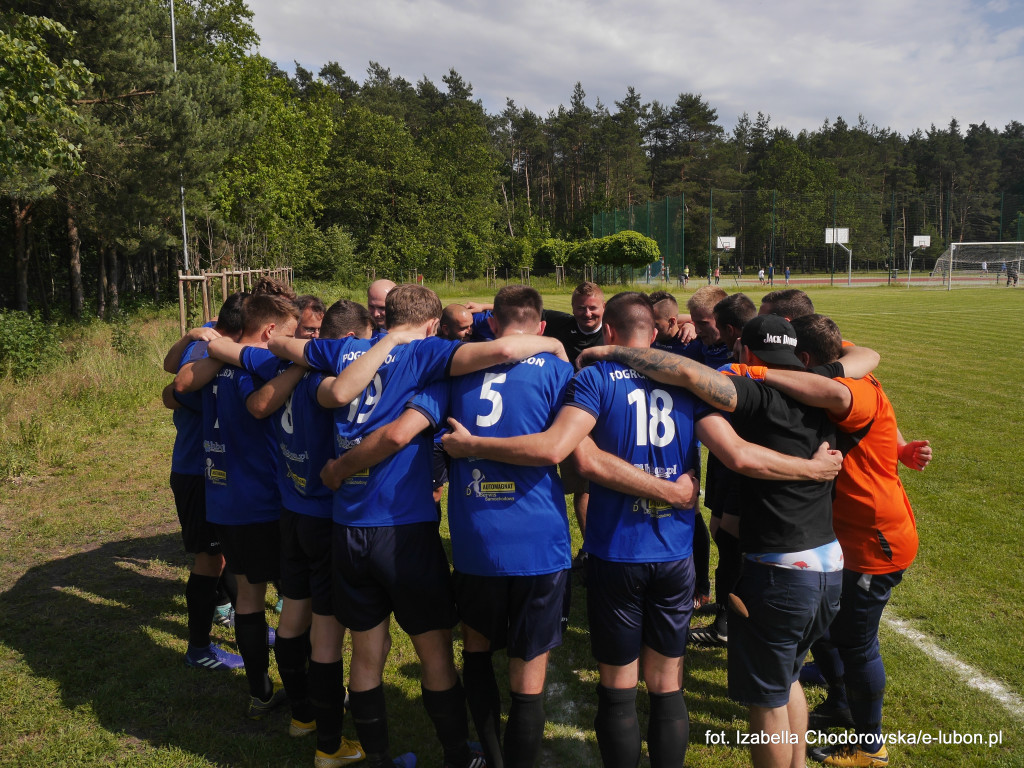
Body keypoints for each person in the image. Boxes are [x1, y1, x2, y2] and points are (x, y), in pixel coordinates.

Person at [447, 294, 844, 768]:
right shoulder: (685, 381)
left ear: (609, 333)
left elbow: (581, 457)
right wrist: (809, 468)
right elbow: (735, 452)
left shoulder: (592, 377)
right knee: (666, 684)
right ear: (653, 336)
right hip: (674, 551)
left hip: (617, 549)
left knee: (618, 688)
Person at [274, 284, 568, 768]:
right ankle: (457, 755)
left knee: (367, 653)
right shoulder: (430, 360)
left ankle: (379, 758)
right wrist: (552, 344)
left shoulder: (348, 349)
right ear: (432, 327)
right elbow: (498, 353)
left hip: (347, 525)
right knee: (433, 653)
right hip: (401, 526)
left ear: (385, 316)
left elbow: (286, 345)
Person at [576, 314, 855, 768]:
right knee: (786, 680)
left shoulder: (750, 390)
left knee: (763, 699)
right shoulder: (827, 388)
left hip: (780, 569)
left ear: (746, 354)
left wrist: (607, 352)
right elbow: (863, 355)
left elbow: (735, 447)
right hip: (828, 563)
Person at [207, 299, 387, 765]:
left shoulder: (280, 362)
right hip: (325, 516)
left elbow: (235, 354)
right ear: (349, 341)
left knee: (293, 616)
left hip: (290, 512)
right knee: (325, 635)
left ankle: (302, 715)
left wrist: (205, 336)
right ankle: (329, 743)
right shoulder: (331, 381)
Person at [759, 314, 931, 768]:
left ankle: (870, 747)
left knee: (857, 642)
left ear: (808, 357)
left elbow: (840, 392)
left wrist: (755, 372)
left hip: (876, 539)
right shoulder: (845, 359)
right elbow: (864, 355)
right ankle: (839, 699)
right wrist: (898, 448)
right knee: (827, 620)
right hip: (848, 532)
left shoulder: (847, 388)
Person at [185, 294, 302, 719]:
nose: (294, 341)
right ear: (270, 332)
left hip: (223, 500)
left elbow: (177, 388)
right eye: (290, 334)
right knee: (296, 600)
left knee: (249, 599)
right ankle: (303, 693)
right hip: (265, 502)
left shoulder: (211, 370)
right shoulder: (262, 366)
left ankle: (260, 692)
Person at [161, 293, 247, 671]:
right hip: (198, 472)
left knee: (229, 554)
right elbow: (174, 390)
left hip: (217, 472)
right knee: (208, 561)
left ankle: (249, 627)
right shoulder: (207, 360)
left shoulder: (212, 339)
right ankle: (199, 649)